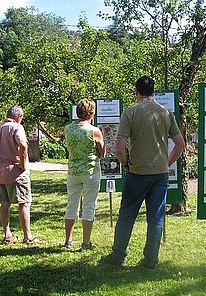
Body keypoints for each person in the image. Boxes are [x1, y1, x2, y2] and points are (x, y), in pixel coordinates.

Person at [101, 75, 185, 268]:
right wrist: (166, 162)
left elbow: (119, 148)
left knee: (127, 215)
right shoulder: (166, 113)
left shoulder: (129, 113)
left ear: (136, 92)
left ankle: (118, 255)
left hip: (137, 172)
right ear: (153, 93)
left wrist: (126, 165)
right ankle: (151, 260)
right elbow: (180, 144)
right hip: (160, 174)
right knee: (156, 217)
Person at [0, 105, 42, 244]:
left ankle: (7, 234)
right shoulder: (16, 127)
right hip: (15, 173)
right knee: (24, 203)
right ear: (18, 117)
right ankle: (28, 236)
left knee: (4, 204)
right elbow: (23, 144)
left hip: (0, 172)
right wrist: (22, 163)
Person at [64, 98, 106, 251]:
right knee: (89, 207)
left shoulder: (68, 128)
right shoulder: (94, 131)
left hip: (73, 171)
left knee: (72, 205)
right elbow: (102, 152)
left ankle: (68, 240)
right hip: (90, 171)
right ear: (91, 113)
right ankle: (85, 243)